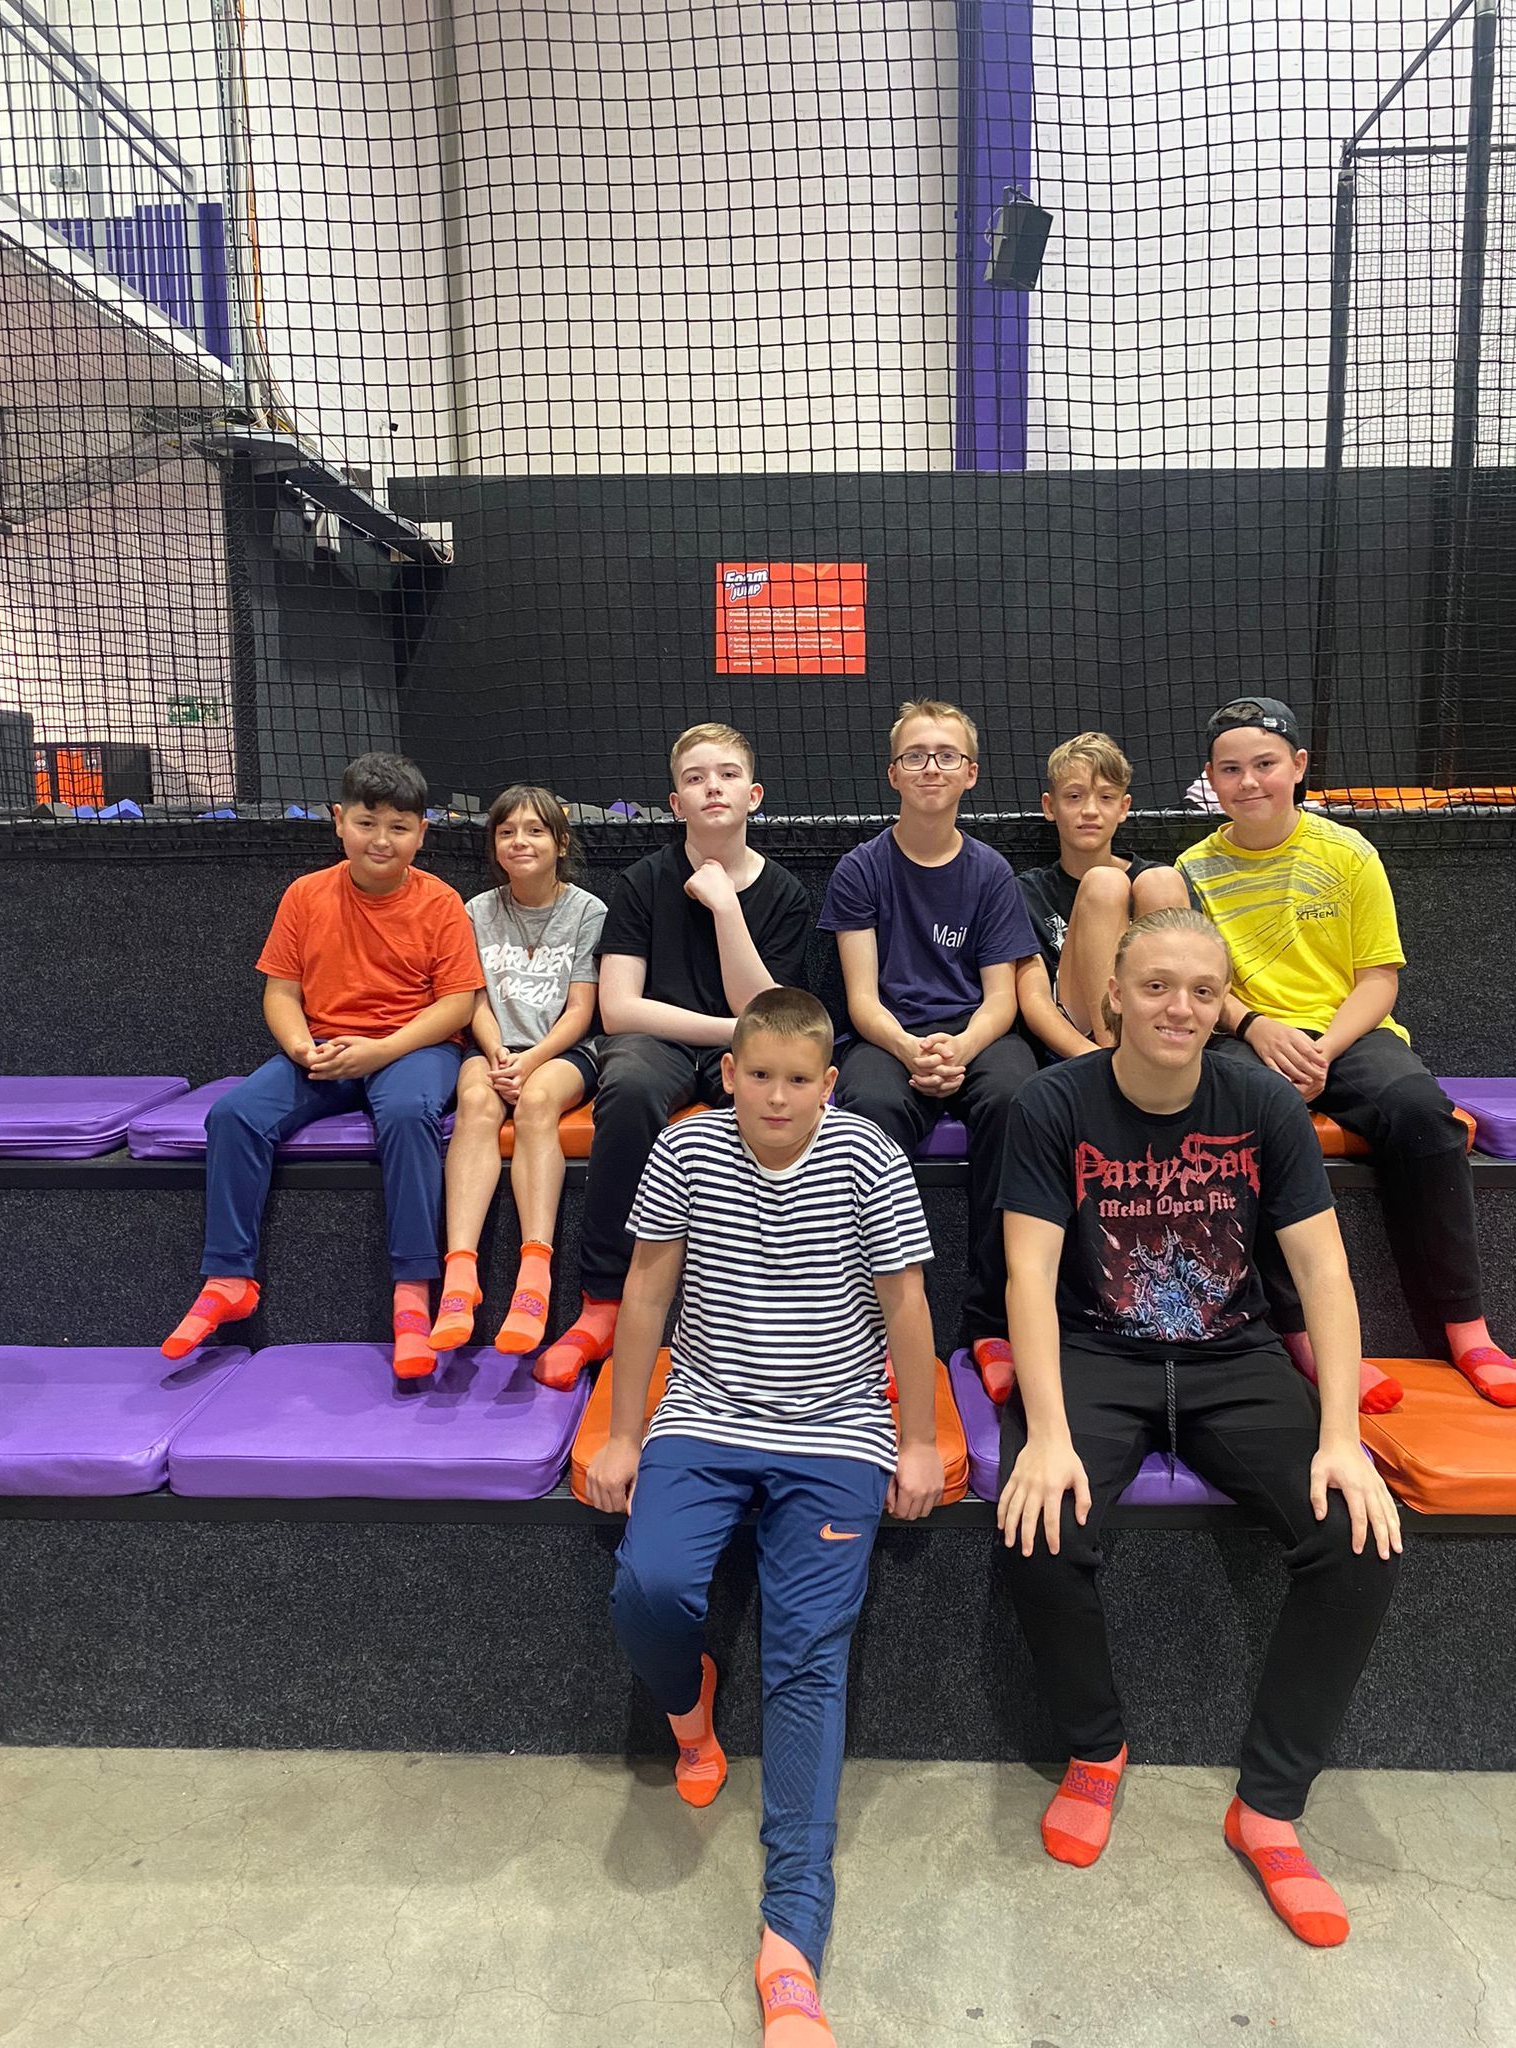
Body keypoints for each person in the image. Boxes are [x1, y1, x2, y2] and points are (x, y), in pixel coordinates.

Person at [995, 907, 1401, 1948]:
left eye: (1203, 990)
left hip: (1233, 1358)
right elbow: (1029, 1276)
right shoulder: (1053, 1103)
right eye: (1157, 985)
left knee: (1357, 1539)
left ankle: (1267, 1806)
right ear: (1114, 996)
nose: (1180, 1006)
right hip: (1098, 1352)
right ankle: (1096, 1749)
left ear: (1224, 1005)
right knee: (1038, 1524)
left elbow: (1323, 1271)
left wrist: (1341, 1436)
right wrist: (1047, 1432)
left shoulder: (1259, 1100)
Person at [586, 986, 945, 2044]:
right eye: (759, 1076)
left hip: (836, 1426)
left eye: (798, 1079)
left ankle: (792, 1932)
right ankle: (687, 1704)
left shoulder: (868, 1154)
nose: (777, 1096)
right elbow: (645, 1294)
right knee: (650, 1588)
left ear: (828, 1083)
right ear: (730, 1075)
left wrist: (919, 1439)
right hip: (706, 1409)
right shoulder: (688, 1149)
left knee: (806, 1659)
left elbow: (906, 1305)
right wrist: (623, 1432)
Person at [1180, 694, 1515, 1411]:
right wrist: (1255, 1026)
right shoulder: (1192, 870)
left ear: (1299, 766)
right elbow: (1202, 985)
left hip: (1348, 1034)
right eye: (1230, 769)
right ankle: (1304, 1334)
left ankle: (1467, 1330)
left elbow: (1378, 980)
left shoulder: (1348, 854)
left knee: (1423, 1114)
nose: (1249, 782)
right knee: (1254, 1126)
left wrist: (1325, 1048)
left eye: (1265, 764)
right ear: (1211, 777)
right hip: (1248, 1039)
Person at [161, 752, 484, 1379]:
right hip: (325, 1049)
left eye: (398, 827)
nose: (381, 839)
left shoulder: (441, 903)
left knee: (407, 1114)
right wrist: (301, 1047)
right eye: (367, 823)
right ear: (339, 821)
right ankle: (229, 1278)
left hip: (414, 1049)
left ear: (422, 833)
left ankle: (412, 1292)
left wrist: (382, 1050)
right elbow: (282, 992)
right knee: (233, 1116)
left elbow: (456, 1005)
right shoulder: (306, 895)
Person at [536, 723, 810, 1389]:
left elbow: (770, 1015)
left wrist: (725, 908)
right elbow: (618, 1009)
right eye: (695, 778)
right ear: (675, 802)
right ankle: (603, 1301)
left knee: (783, 1104)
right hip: (659, 1039)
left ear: (753, 796)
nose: (712, 787)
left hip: (747, 1050)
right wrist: (730, 1031)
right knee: (628, 1086)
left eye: (727, 775)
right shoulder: (640, 883)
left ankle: (795, 1304)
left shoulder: (786, 895)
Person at [819, 698, 1039, 1405]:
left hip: (975, 1035)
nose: (931, 767)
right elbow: (861, 999)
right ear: (893, 773)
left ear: (970, 773)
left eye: (946, 755)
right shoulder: (860, 869)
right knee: (869, 1107)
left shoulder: (991, 873)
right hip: (889, 1036)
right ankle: (874, 1327)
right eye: (915, 755)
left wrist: (962, 1047)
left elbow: (1001, 1000)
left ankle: (992, 1323)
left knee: (1016, 1098)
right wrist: (912, 1049)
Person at [427, 785, 607, 1357]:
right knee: (475, 1101)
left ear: (561, 843)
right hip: (493, 1048)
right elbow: (474, 1000)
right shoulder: (476, 910)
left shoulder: (587, 911)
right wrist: (498, 1053)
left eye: (534, 831)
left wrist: (531, 1060)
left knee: (537, 1102)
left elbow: (581, 1009)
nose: (520, 842)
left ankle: (535, 1273)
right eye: (506, 832)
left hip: (560, 1052)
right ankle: (460, 1274)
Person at [1017, 730, 1187, 1062]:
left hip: (1158, 1029)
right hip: (1083, 1037)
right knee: (1104, 884)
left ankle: (1166, 1050)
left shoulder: (1154, 880)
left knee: (1163, 881)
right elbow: (1034, 999)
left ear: (1124, 808)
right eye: (1074, 796)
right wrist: (1097, 1060)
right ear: (1050, 806)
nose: (1090, 810)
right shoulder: (1028, 890)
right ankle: (1118, 1061)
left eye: (1106, 797)